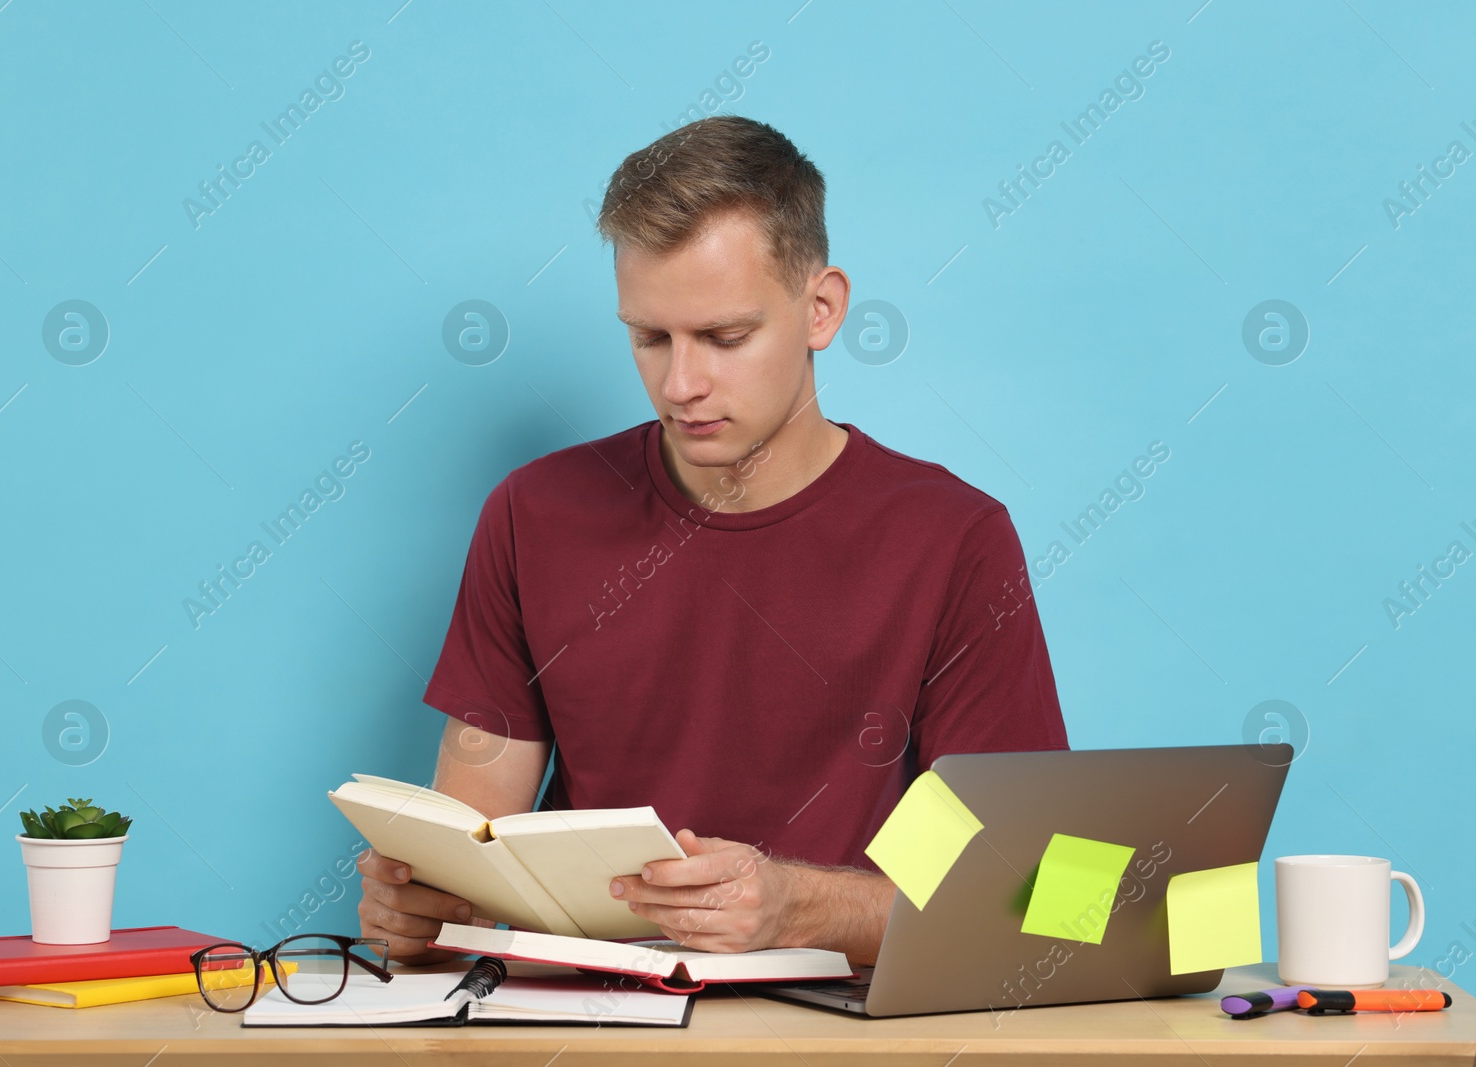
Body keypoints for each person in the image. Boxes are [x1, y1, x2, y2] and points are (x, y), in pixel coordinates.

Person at [358, 116, 1068, 968]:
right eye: (649, 337)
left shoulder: (955, 537)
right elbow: (470, 840)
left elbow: (1021, 890)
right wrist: (423, 905)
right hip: (579, 1018)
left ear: (822, 309)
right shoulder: (532, 514)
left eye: (726, 338)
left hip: (840, 1026)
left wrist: (798, 906)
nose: (681, 384)